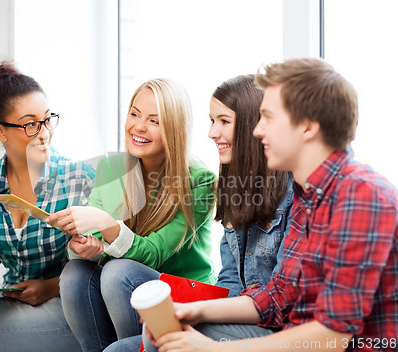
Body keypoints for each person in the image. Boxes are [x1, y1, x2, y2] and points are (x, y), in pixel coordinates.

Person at [109, 58, 398, 352]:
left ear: (308, 127)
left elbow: (332, 336)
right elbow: (277, 296)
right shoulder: (307, 195)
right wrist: (193, 310)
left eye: (268, 118)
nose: (257, 131)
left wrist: (212, 348)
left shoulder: (361, 195)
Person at [47, 78, 217, 352]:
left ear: (175, 128)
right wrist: (85, 247)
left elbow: (154, 253)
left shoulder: (200, 180)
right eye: (134, 114)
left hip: (188, 297)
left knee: (118, 271)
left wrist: (105, 224)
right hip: (125, 292)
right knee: (75, 273)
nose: (138, 126)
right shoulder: (112, 168)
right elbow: (97, 246)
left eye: (154, 120)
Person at [0, 61, 95, 352]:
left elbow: (104, 264)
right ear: (0, 132)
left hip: (73, 309)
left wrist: (50, 286)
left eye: (48, 119)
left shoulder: (79, 181)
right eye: (30, 124)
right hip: (13, 304)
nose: (44, 132)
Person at [209, 75, 292, 296]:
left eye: (224, 121)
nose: (212, 133)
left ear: (253, 126)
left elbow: (280, 295)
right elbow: (231, 277)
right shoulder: (233, 185)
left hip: (271, 320)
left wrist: (204, 316)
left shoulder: (293, 192)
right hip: (243, 310)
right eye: (212, 121)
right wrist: (207, 310)